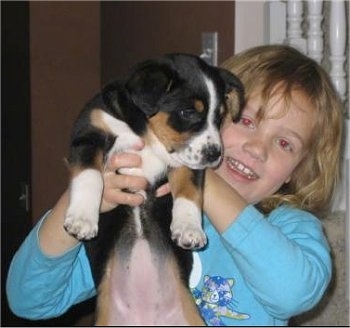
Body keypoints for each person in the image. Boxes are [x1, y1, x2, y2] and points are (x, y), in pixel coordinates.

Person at [6, 45, 343, 326]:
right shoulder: (139, 206)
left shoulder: (290, 226)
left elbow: (292, 293)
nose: (258, 149)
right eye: (245, 121)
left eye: (286, 144)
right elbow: (29, 299)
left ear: (295, 172)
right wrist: (81, 200)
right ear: (213, 112)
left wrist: (199, 177)